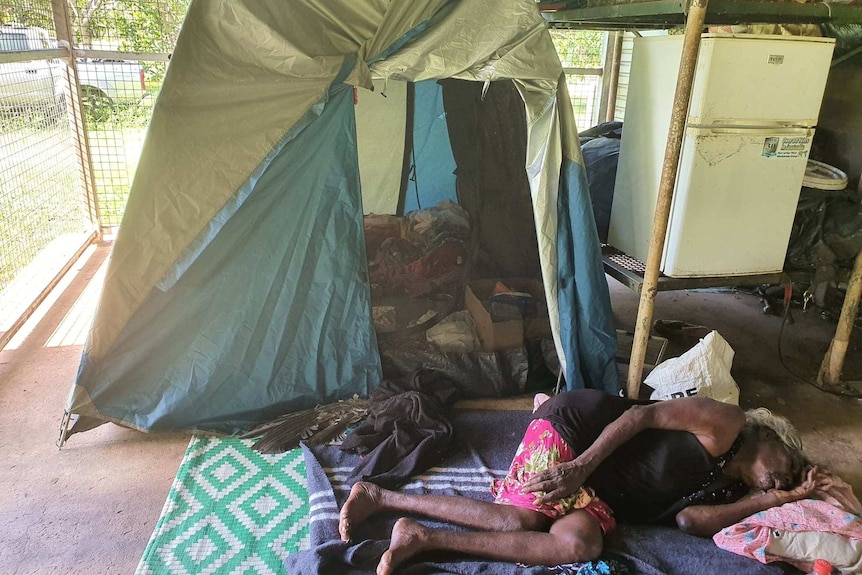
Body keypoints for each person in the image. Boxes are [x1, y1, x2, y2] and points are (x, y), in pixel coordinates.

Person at [338, 389, 819, 575]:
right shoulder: (728, 422)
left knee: (579, 546)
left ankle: (420, 537)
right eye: (791, 461)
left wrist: (772, 498)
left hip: (602, 489)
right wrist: (581, 467)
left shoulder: (735, 490)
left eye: (791, 479)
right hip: (579, 433)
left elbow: (690, 521)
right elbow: (642, 414)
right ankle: (381, 496)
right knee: (523, 518)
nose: (788, 474)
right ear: (769, 433)